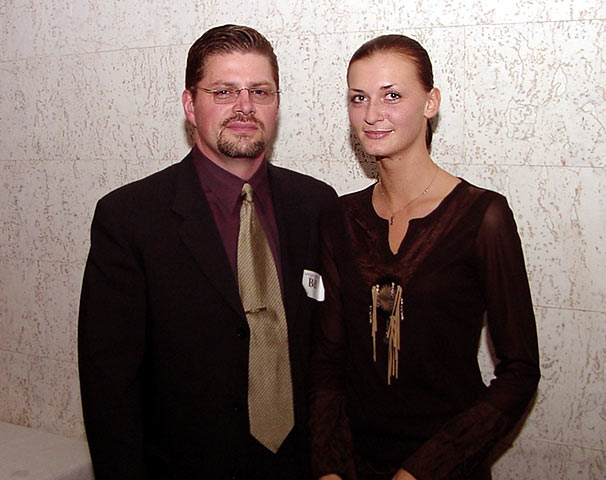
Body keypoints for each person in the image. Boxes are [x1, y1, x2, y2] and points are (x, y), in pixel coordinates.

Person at [78, 24, 337, 480]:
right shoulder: (130, 218)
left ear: (277, 103)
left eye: (260, 91)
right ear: (189, 106)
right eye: (223, 92)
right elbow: (109, 387)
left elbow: (332, 355)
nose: (245, 106)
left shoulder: (317, 204)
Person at [309, 34, 540, 480]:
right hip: (353, 463)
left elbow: (520, 371)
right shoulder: (340, 217)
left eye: (392, 96)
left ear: (430, 102)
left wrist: (422, 471)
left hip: (445, 466)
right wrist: (329, 466)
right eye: (359, 98)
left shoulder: (483, 216)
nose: (372, 114)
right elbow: (327, 359)